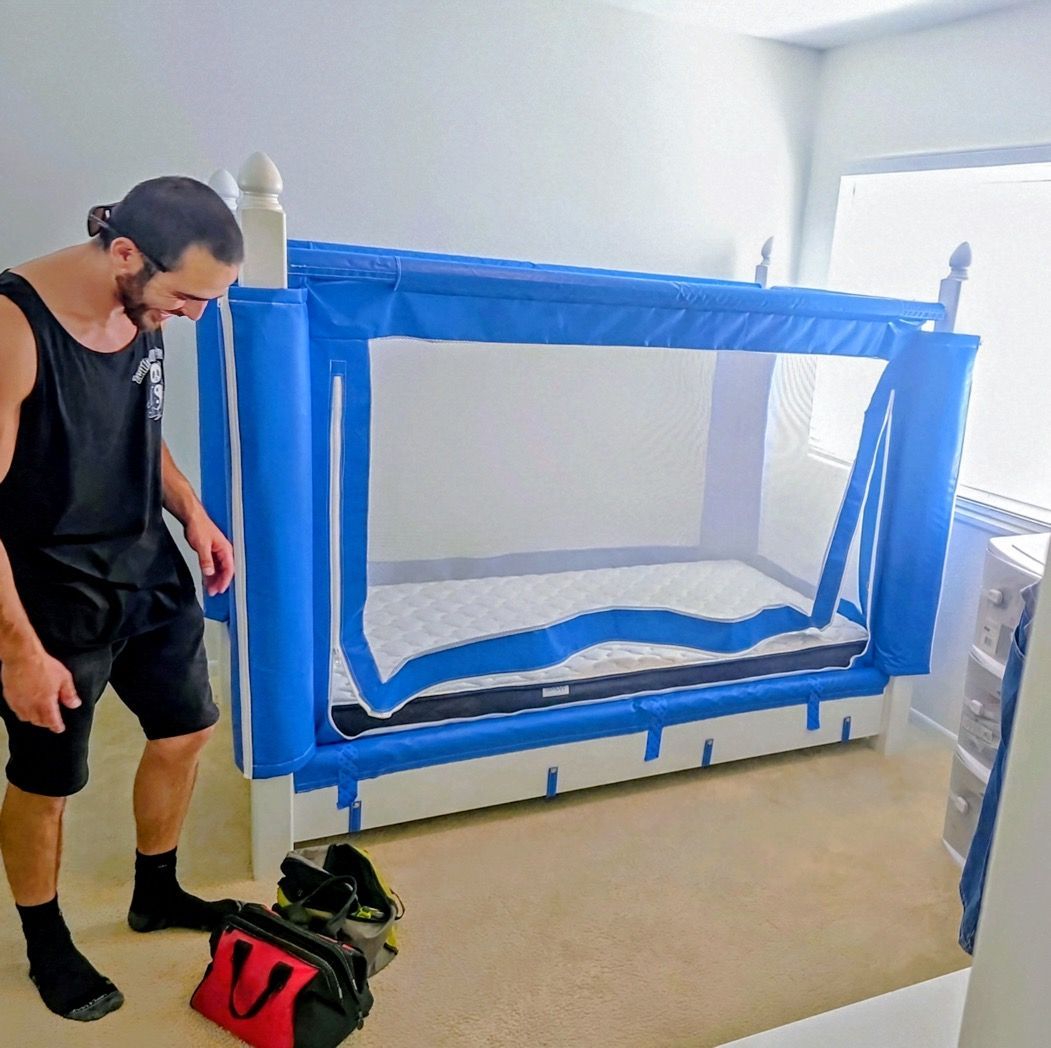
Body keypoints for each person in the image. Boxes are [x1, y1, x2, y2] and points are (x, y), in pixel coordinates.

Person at [0, 177, 244, 1021]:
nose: (194, 317)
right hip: (51, 592)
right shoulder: (13, 328)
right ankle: (46, 942)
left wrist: (193, 512)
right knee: (49, 781)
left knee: (187, 729)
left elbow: (141, 422)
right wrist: (17, 650)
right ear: (126, 255)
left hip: (147, 562)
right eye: (188, 298)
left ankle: (157, 892)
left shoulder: (147, 307)